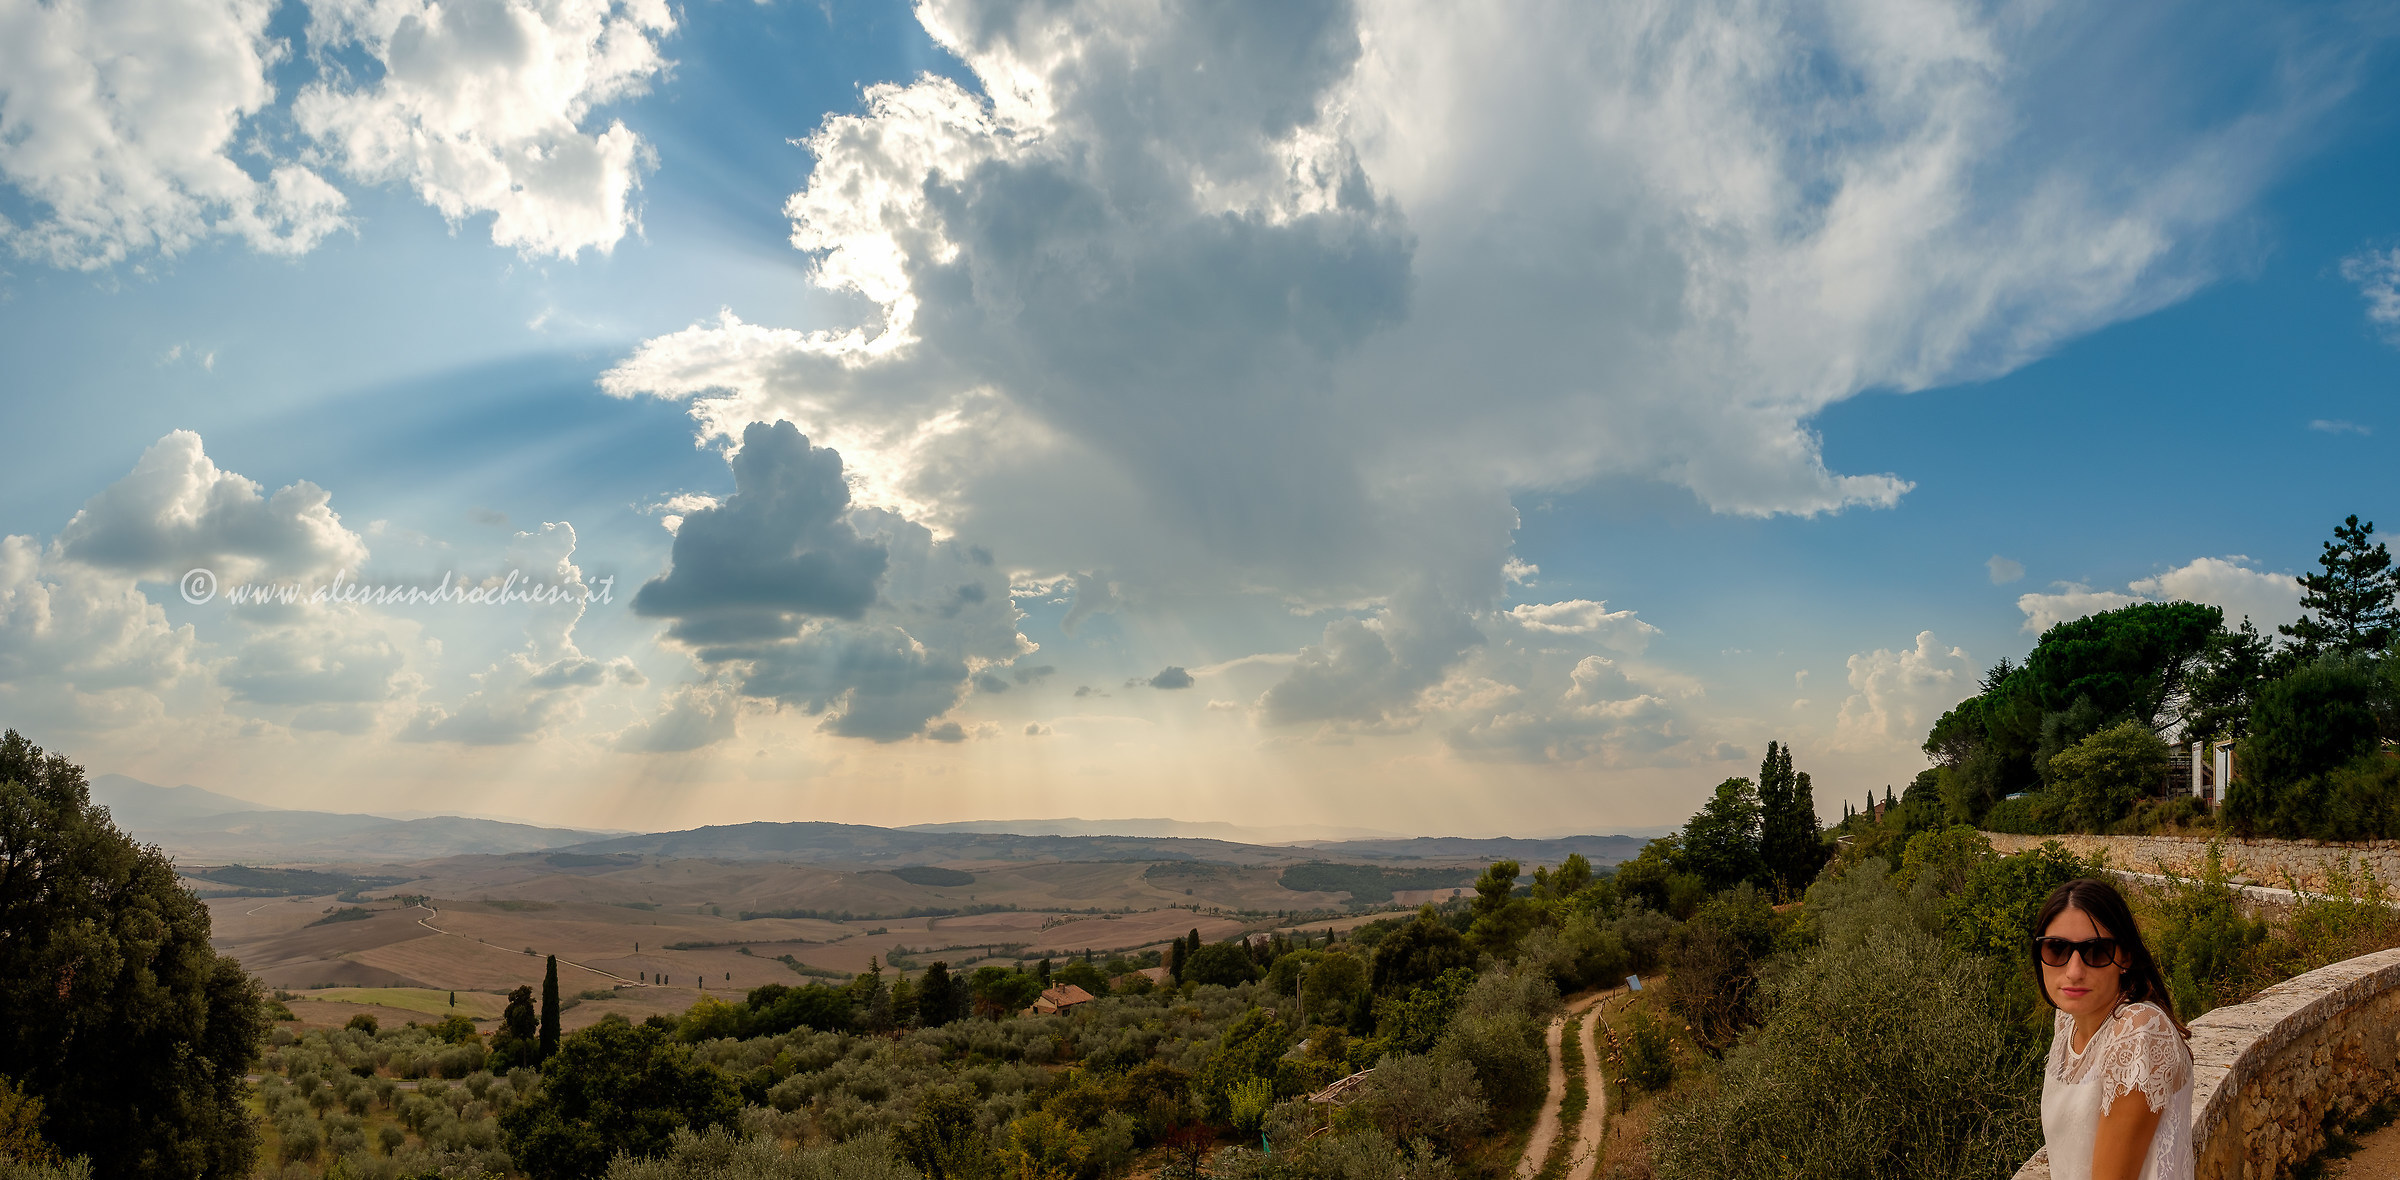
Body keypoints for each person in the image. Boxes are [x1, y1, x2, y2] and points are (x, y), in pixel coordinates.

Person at [2033, 878, 2194, 1180]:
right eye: (2056, 949)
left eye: (2096, 951)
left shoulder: (2138, 1031)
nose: (2074, 971)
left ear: (2125, 957)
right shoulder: (2067, 1021)